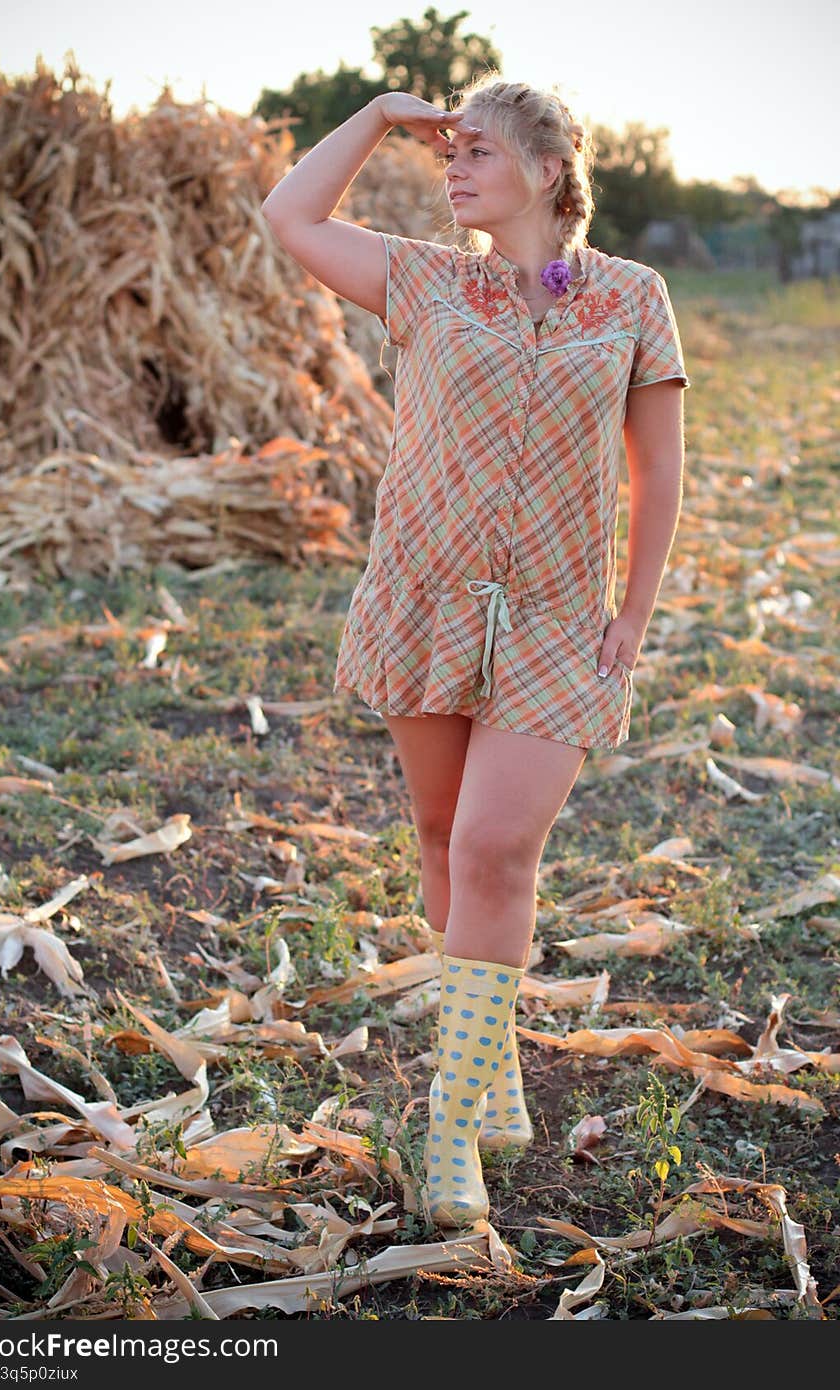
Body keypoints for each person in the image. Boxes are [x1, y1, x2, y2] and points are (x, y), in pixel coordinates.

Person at [262, 73, 689, 1229]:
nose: (452, 170)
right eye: (447, 152)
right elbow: (289, 217)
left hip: (556, 617)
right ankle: (492, 1069)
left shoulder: (632, 300)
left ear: (549, 172)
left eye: (478, 153)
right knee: (443, 836)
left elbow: (659, 474)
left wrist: (631, 619)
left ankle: (450, 1122)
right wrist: (381, 119)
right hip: (426, 595)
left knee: (499, 848)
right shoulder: (427, 279)